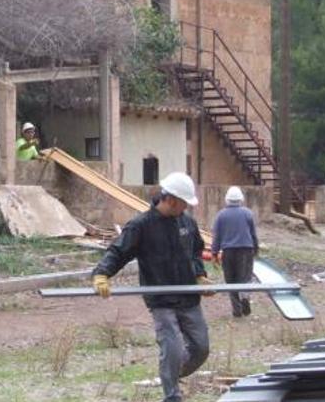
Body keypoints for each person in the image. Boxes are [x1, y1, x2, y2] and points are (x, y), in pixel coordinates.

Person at [92, 172, 211, 402]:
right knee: (173, 348)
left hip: (188, 298)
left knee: (201, 348)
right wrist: (102, 274)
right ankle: (172, 395)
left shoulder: (187, 223)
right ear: (172, 200)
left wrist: (199, 276)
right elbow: (118, 251)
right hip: (161, 299)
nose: (186, 207)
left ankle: (172, 375)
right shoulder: (141, 225)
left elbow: (196, 251)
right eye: (184, 202)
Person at [211, 186, 258, 318]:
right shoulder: (248, 213)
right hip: (246, 250)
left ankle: (236, 310)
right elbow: (253, 233)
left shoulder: (221, 215)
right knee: (245, 278)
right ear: (240, 199)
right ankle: (245, 297)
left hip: (228, 251)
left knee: (231, 281)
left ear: (227, 199)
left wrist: (214, 253)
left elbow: (217, 236)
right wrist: (256, 248)